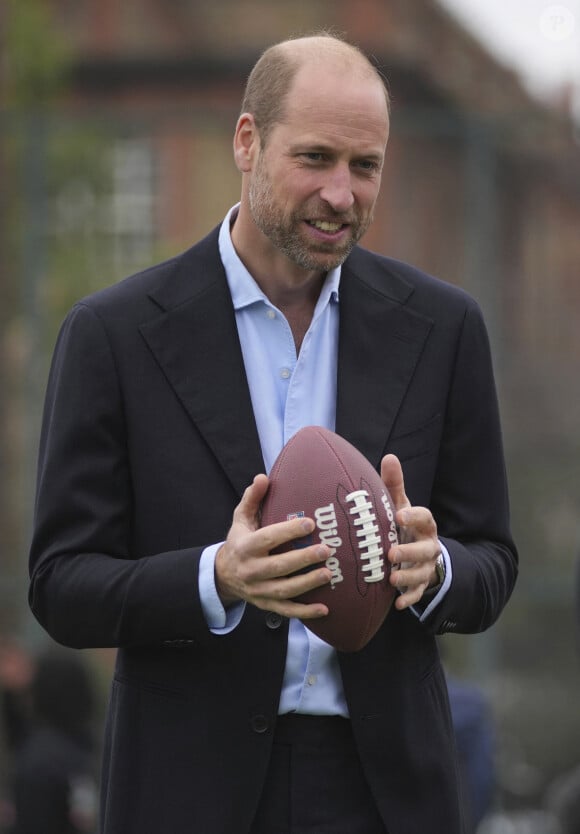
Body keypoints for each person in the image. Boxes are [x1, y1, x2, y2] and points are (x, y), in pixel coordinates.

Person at [28, 32, 518, 834]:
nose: (341, 193)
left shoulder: (443, 328)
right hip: (187, 794)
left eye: (365, 167)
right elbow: (60, 584)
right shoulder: (113, 334)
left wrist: (436, 571)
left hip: (387, 794)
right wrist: (215, 577)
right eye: (316, 158)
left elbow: (493, 560)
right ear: (248, 142)